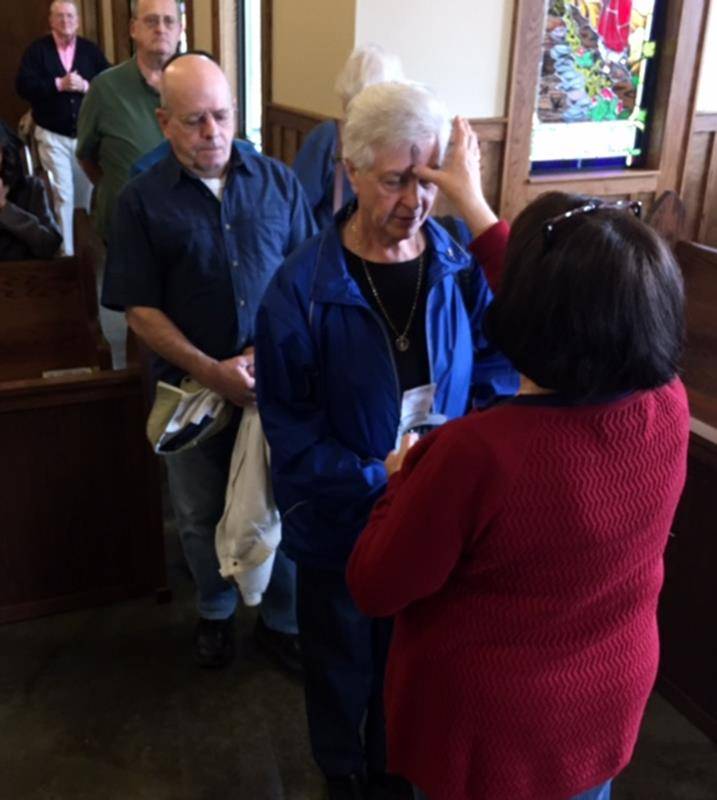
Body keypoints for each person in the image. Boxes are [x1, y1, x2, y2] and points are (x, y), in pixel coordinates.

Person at [346, 117, 689, 800]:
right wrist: (474, 206)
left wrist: (398, 483)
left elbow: (374, 585)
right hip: (604, 697)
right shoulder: (667, 405)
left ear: (529, 313)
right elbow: (575, 304)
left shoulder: (474, 455)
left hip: (491, 735)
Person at [255, 85, 517, 800]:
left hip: (438, 520)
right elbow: (292, 435)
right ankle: (342, 773)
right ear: (350, 169)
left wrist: (455, 459)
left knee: (416, 666)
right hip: (343, 523)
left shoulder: (457, 266)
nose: (414, 200)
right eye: (396, 179)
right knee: (341, 667)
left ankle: (397, 769)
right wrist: (384, 474)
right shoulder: (301, 288)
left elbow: (497, 367)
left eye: (427, 179)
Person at [102, 53, 315, 671]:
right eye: (194, 121)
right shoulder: (141, 201)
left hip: (275, 384)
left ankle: (282, 620)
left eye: (222, 116)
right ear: (165, 122)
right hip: (189, 389)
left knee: (282, 502)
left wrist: (265, 354)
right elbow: (138, 310)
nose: (212, 133)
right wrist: (211, 368)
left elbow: (306, 279)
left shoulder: (277, 182)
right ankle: (215, 614)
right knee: (199, 512)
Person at [76, 0, 181, 242]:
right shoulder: (104, 88)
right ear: (134, 29)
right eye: (151, 21)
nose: (161, 29)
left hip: (183, 233)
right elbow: (86, 156)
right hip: (125, 234)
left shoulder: (196, 87)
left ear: (180, 29)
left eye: (169, 21)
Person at [15, 0, 109, 256]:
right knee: (63, 195)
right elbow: (23, 86)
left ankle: (86, 253)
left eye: (70, 16)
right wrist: (57, 84)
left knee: (84, 198)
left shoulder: (90, 51)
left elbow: (108, 83)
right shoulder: (37, 51)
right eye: (60, 16)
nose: (65, 21)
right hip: (52, 134)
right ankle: (67, 256)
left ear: (77, 21)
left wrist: (86, 86)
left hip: (85, 135)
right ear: (51, 20)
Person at [292, 44, 404, 229]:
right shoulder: (328, 138)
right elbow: (297, 210)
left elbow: (297, 209)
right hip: (337, 250)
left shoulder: (328, 137)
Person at [0, 121, 61, 261]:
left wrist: (5, 207)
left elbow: (50, 245)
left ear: (4, 153)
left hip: (27, 278)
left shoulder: (31, 188)